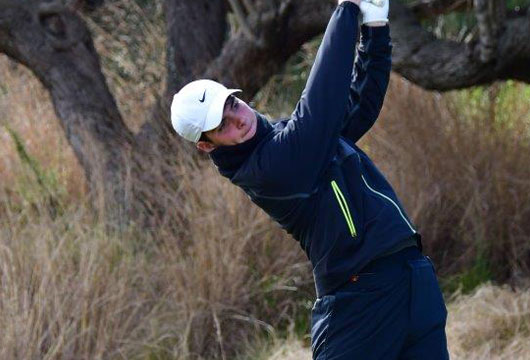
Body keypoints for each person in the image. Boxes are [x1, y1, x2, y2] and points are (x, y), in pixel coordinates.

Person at [170, 0, 449, 358]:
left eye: (233, 105)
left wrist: (375, 29)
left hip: (412, 279)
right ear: (208, 146)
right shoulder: (268, 170)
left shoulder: (292, 137)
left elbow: (359, 105)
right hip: (359, 302)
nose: (238, 119)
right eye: (222, 125)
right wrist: (346, 10)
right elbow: (320, 106)